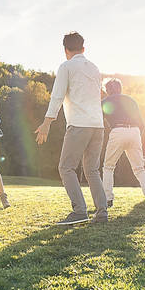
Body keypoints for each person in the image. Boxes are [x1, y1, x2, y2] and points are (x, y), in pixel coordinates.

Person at [35, 32, 108, 224]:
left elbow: (57, 96)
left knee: (66, 167)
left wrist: (46, 123)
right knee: (92, 170)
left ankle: (79, 211)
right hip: (98, 125)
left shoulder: (66, 66)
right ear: (83, 49)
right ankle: (102, 213)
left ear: (66, 50)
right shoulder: (94, 68)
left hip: (79, 124)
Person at [101, 78, 145, 207]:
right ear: (120, 88)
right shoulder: (131, 100)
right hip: (135, 131)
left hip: (118, 130)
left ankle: (108, 199)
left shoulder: (105, 101)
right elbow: (142, 124)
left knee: (108, 167)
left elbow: (97, 120)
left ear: (108, 90)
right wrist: (137, 138)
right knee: (139, 169)